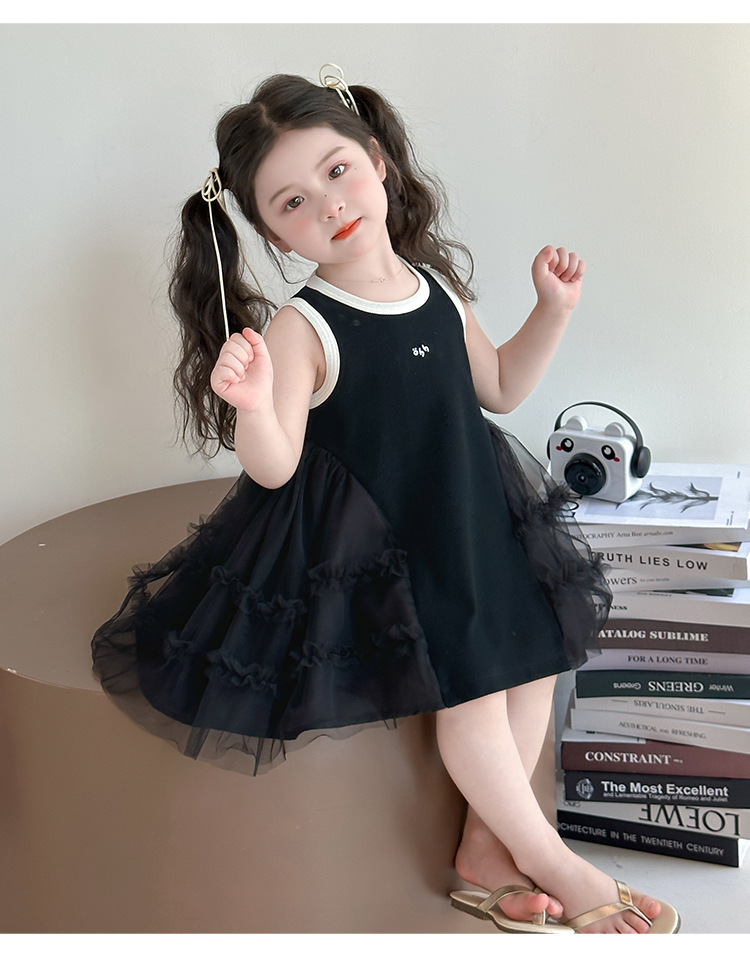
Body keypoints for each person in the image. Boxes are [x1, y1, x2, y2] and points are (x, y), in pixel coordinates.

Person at [91, 65, 680, 934]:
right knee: (474, 692)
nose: (328, 204)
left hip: (469, 514)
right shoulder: (304, 325)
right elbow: (276, 466)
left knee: (534, 658)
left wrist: (552, 310)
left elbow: (500, 386)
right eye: (292, 203)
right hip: (386, 544)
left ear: (376, 160)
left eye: (337, 171)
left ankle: (484, 849)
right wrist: (250, 404)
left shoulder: (433, 285)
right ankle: (557, 859)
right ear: (272, 233)